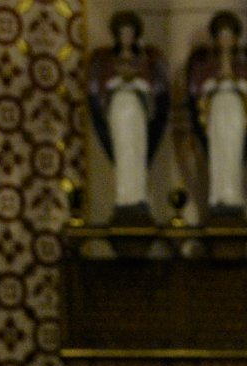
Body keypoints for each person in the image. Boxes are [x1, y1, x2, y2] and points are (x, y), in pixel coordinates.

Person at [86, 11, 169, 217]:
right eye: (123, 33)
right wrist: (118, 82)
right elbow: (102, 91)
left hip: (136, 110)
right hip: (119, 110)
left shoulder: (144, 60)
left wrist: (137, 83)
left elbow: (152, 90)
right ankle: (124, 197)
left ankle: (138, 196)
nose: (127, 37)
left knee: (137, 150)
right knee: (123, 152)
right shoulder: (107, 61)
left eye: (130, 33)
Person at [187, 11, 247, 217]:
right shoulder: (207, 66)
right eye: (222, 36)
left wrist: (236, 82)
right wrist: (216, 82)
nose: (226, 40)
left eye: (230, 36)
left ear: (236, 39)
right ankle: (217, 195)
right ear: (216, 39)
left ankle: (234, 196)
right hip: (218, 111)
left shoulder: (243, 65)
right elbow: (199, 91)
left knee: (234, 151)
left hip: (235, 111)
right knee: (218, 151)